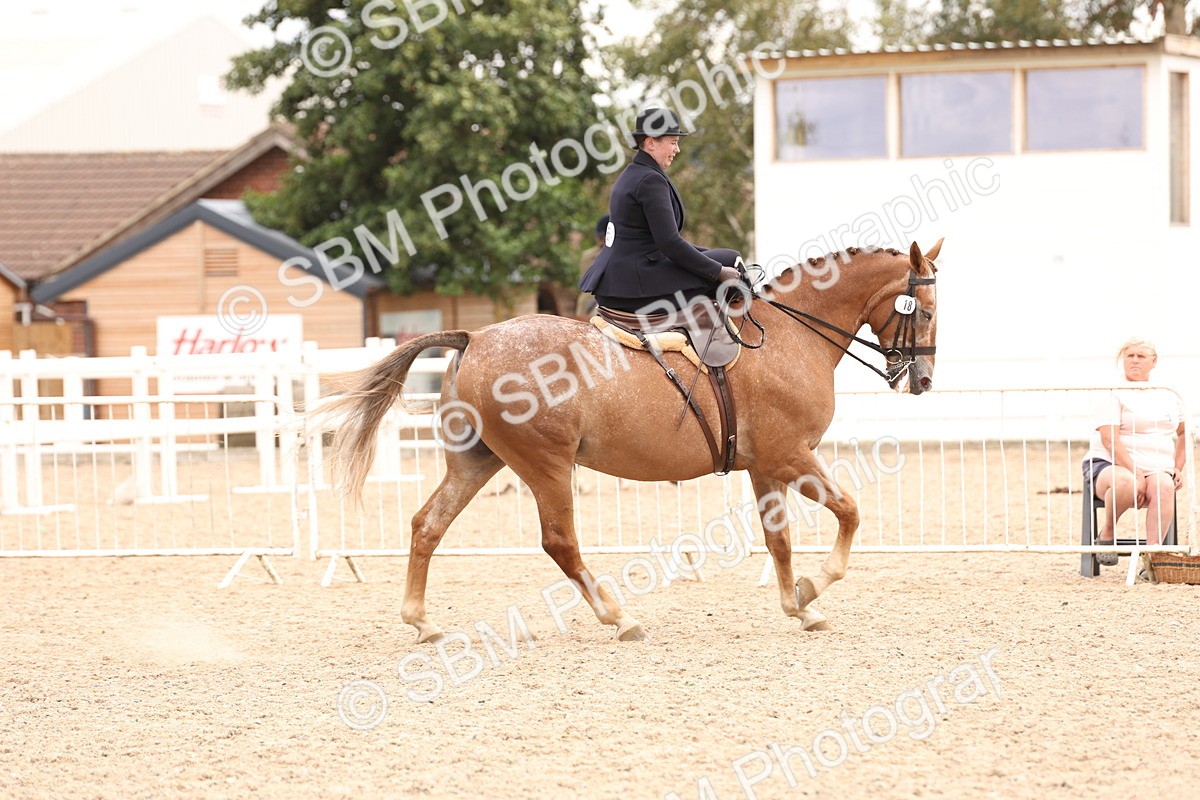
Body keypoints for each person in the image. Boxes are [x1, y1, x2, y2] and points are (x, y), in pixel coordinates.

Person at [578, 107, 743, 315]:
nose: (677, 150)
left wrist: (707, 257)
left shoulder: (635, 173)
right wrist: (718, 271)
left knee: (727, 257)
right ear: (650, 142)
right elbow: (670, 243)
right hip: (633, 286)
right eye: (673, 142)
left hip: (623, 280)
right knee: (730, 262)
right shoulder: (649, 180)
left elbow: (664, 241)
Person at [1082, 337, 1187, 565]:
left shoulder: (1168, 394)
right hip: (1110, 465)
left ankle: (1153, 557)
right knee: (1126, 481)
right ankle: (1107, 534)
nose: (1134, 361)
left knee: (1165, 486)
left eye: (1141, 356)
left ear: (1154, 361)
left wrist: (1178, 467)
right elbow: (1110, 440)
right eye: (1130, 356)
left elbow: (1183, 434)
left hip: (1156, 468)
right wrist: (1135, 470)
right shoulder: (1112, 392)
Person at [575, 214, 608, 317]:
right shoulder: (589, 256)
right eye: (599, 238)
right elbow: (586, 282)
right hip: (592, 298)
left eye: (602, 238)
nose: (600, 241)